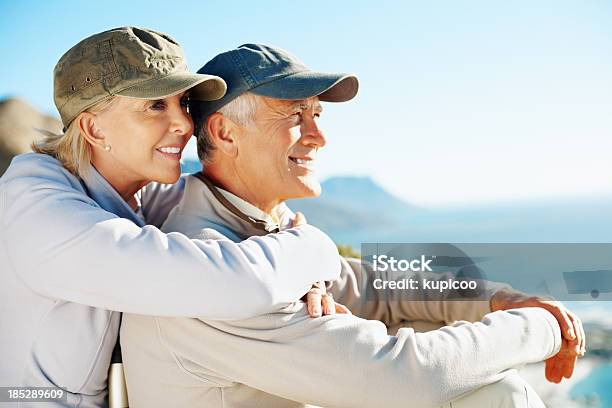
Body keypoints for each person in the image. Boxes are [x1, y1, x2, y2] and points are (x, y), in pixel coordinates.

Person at [120, 44, 584, 408]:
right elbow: (403, 378)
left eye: (316, 114)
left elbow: (373, 287)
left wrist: (497, 298)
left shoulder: (263, 227)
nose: (319, 135)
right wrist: (542, 327)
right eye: (294, 115)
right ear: (224, 133)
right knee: (494, 396)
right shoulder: (210, 267)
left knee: (492, 393)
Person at [0, 29, 344, 407]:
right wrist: (310, 247)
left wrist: (308, 279)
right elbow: (235, 282)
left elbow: (248, 212)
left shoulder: (137, 194)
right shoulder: (38, 216)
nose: (184, 123)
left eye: (182, 103)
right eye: (154, 106)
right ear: (94, 128)